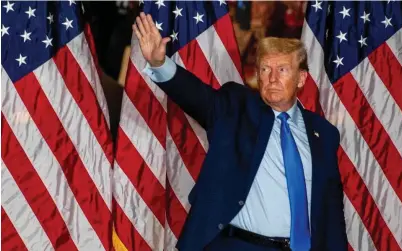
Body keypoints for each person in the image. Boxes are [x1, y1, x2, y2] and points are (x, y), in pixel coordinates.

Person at [132, 12, 348, 251]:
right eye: (265, 69)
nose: (272, 78)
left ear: (301, 78)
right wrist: (160, 64)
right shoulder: (236, 107)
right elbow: (195, 96)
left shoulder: (324, 134)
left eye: (283, 70)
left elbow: (330, 209)